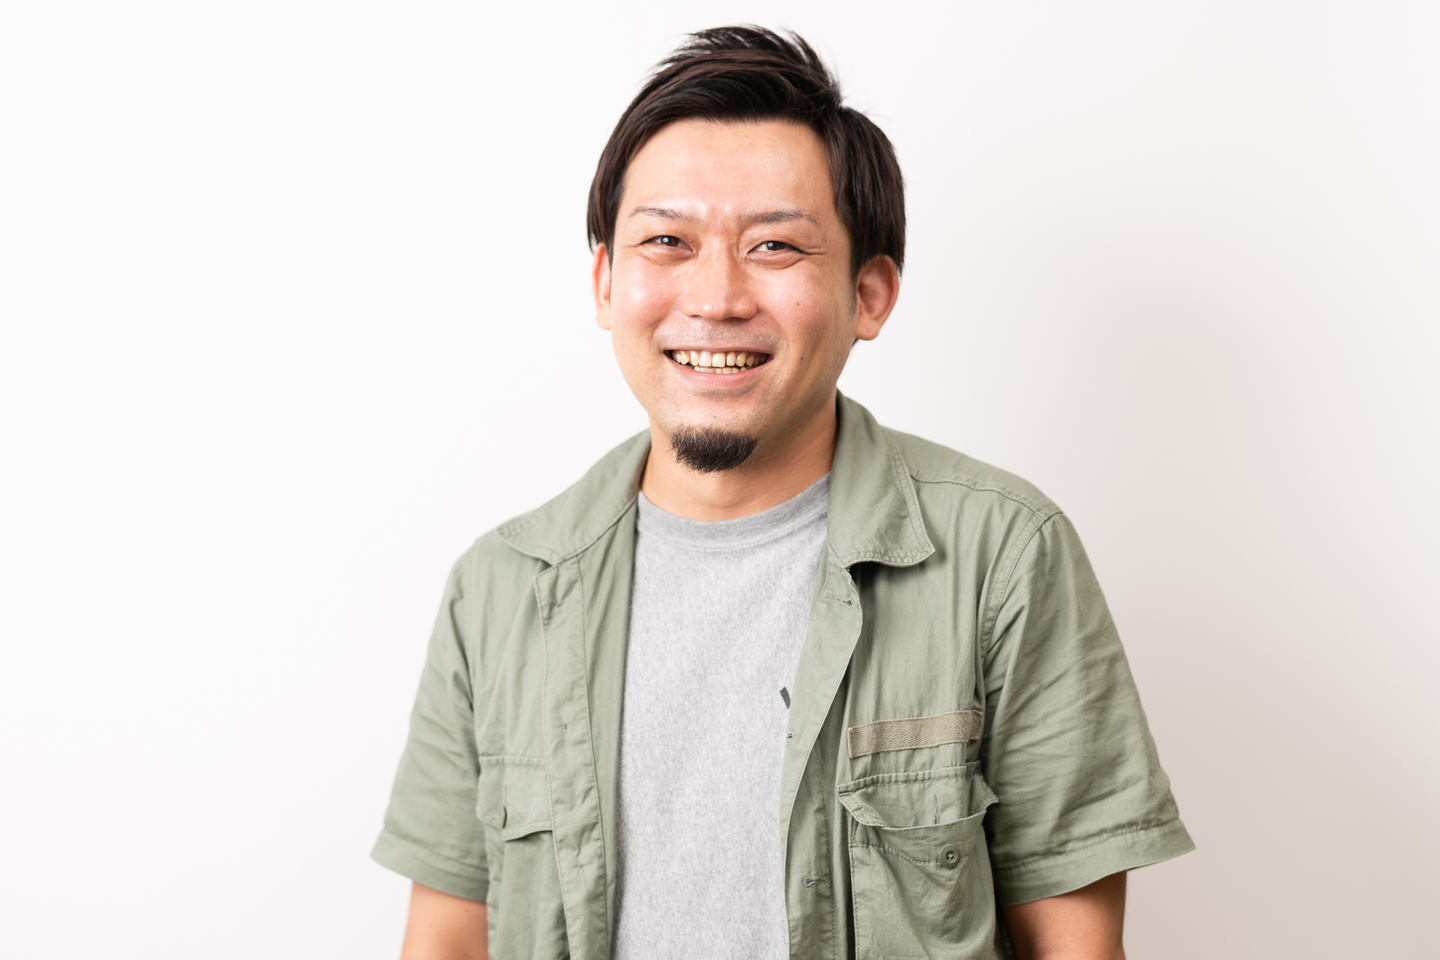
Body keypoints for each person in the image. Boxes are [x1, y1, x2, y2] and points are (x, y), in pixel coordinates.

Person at [373, 25, 1193, 960]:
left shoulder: (1002, 555)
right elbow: (446, 937)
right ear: (605, 281)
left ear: (870, 293)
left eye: (774, 245)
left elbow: (1075, 943)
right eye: (666, 241)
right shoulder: (500, 587)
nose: (715, 297)